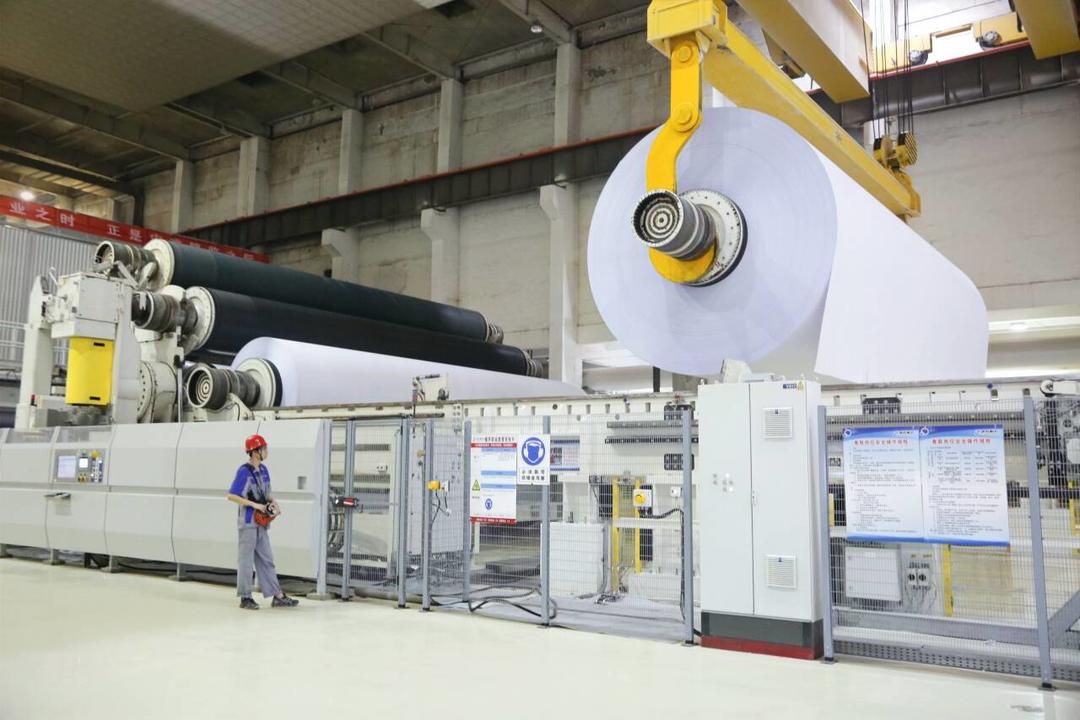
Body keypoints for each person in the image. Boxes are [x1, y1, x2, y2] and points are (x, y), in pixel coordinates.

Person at [226, 434, 299, 610]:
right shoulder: (244, 471)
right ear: (255, 452)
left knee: (267, 559)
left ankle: (277, 596)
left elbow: (266, 493)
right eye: (264, 448)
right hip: (248, 523)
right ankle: (245, 597)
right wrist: (255, 505)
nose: (266, 451)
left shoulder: (264, 470)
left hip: (262, 523)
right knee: (245, 561)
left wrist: (274, 503)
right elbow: (232, 495)